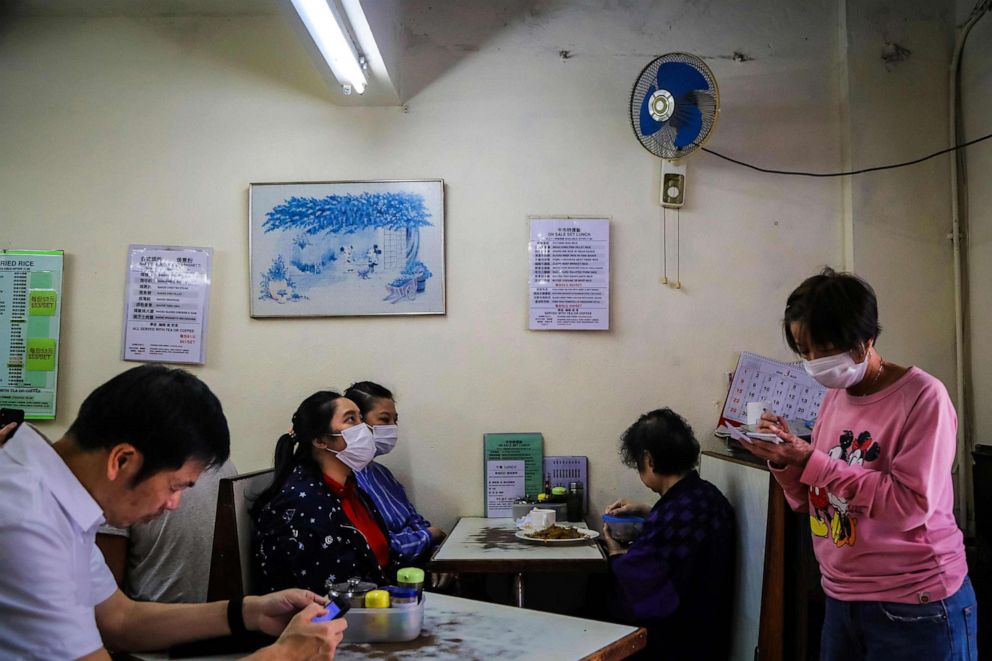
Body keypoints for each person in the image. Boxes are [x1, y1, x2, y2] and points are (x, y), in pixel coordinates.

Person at [0, 364, 345, 661]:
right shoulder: (27, 521)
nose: (173, 504)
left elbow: (120, 620)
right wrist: (281, 655)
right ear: (122, 460)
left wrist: (250, 612)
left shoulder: (58, 494)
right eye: (175, 486)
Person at [740, 267, 977, 660]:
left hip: (915, 605)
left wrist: (809, 459)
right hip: (842, 596)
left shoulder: (924, 398)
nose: (814, 362)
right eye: (804, 351)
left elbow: (910, 505)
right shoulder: (836, 395)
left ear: (865, 341)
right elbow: (812, 501)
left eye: (825, 348)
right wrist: (784, 460)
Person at [603, 408, 735, 661]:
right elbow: (680, 530)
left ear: (648, 459)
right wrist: (647, 510)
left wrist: (615, 551)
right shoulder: (707, 495)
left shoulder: (675, 513)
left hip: (677, 641)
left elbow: (639, 581)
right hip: (709, 629)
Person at [253, 391, 395, 596]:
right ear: (320, 440)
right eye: (350, 419)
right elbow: (330, 593)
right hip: (332, 619)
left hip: (375, 605)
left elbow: (382, 559)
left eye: (361, 419)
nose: (364, 428)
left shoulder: (351, 489)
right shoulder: (302, 503)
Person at [96, 458, 238, 603]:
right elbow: (107, 595)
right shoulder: (223, 463)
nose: (173, 504)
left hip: (202, 615)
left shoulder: (221, 465)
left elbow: (105, 595)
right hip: (218, 613)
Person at [344, 381, 445, 565]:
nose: (392, 427)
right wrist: (432, 535)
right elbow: (380, 545)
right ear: (357, 422)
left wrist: (437, 554)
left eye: (395, 420)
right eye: (384, 419)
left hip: (420, 564)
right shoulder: (344, 480)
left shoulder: (382, 474)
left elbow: (416, 521)